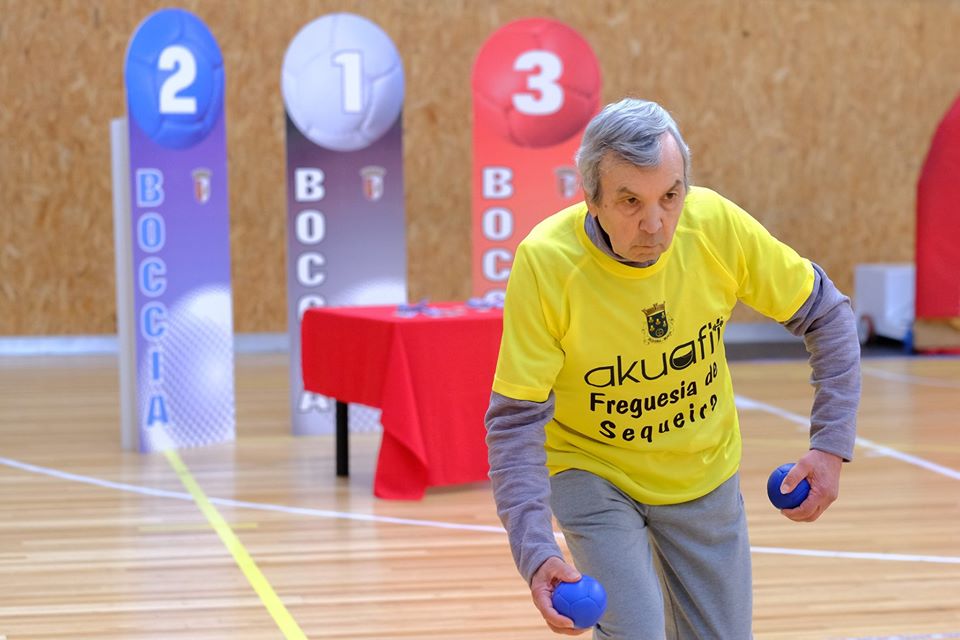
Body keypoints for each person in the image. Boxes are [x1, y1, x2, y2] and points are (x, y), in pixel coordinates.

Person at [484, 98, 860, 639]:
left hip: (702, 469)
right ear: (590, 197)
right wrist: (536, 552)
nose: (655, 224)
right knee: (636, 630)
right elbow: (515, 419)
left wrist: (830, 445)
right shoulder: (547, 263)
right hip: (592, 468)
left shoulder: (715, 227)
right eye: (630, 201)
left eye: (670, 195)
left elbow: (828, 315)